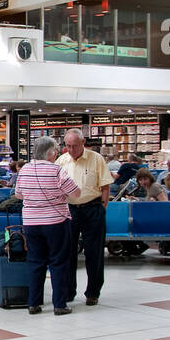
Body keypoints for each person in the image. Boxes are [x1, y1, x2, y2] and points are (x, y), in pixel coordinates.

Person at [13, 136, 81, 315]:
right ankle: (59, 304)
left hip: (31, 222)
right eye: (56, 150)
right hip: (55, 221)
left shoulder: (25, 169)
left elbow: (19, 194)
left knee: (36, 262)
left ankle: (33, 303)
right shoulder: (57, 170)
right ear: (50, 153)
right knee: (58, 262)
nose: (57, 153)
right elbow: (75, 193)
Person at [55, 128, 113, 307]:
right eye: (67, 146)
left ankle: (93, 292)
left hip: (92, 208)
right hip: (69, 209)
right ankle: (68, 291)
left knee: (94, 252)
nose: (71, 150)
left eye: (74, 146)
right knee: (68, 252)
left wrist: (102, 208)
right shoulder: (62, 161)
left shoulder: (96, 159)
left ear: (83, 143)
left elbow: (105, 186)